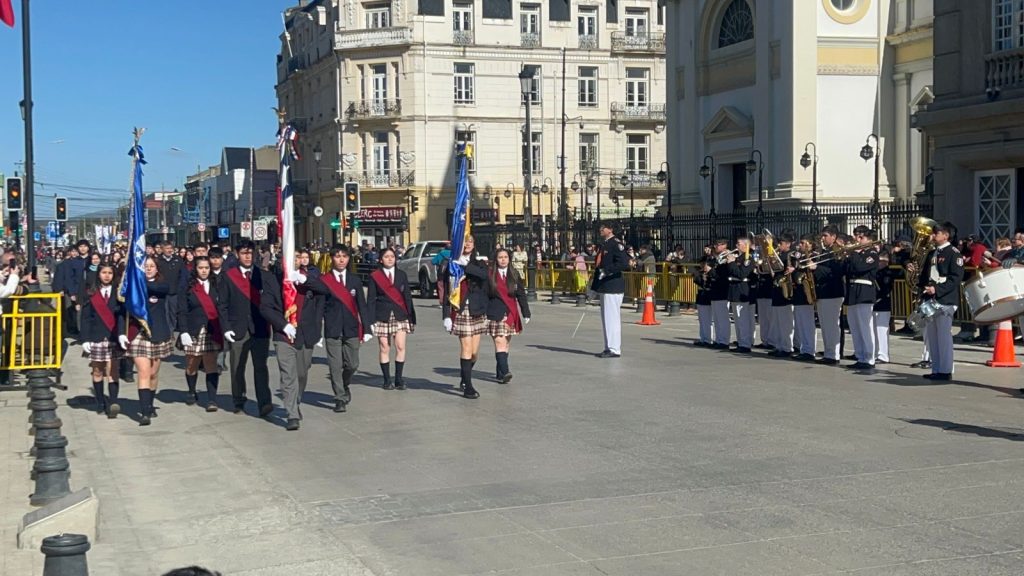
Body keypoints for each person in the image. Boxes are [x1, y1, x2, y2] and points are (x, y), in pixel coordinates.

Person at [260, 249, 324, 431]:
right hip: (283, 334)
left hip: (305, 334)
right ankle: (292, 414)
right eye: (289, 257)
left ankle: (296, 400)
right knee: (288, 374)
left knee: (301, 374)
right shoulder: (273, 280)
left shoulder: (309, 277)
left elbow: (324, 290)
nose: (293, 260)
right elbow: (266, 308)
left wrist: (305, 280)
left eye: (296, 257)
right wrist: (283, 324)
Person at [217, 240, 272, 416]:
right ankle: (239, 400)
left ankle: (264, 402)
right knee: (237, 367)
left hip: (260, 327)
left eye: (250, 253)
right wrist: (226, 327)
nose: (248, 257)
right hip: (238, 328)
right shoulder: (228, 276)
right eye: (244, 253)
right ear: (237, 254)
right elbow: (222, 305)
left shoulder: (263, 275)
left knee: (261, 366)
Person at [315, 244, 372, 411]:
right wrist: (317, 332)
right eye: (338, 256)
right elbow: (319, 308)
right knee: (335, 366)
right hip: (332, 329)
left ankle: (345, 384)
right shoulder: (324, 280)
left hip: (351, 328)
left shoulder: (355, 280)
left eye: (344, 256)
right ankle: (339, 398)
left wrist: (367, 328)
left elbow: (362, 306)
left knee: (352, 364)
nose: (341, 260)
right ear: (332, 258)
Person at [120, 256, 173, 426]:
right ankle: (144, 412)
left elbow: (158, 289)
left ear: (157, 269)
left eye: (152, 266)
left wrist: (135, 283)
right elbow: (122, 310)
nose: (149, 268)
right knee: (143, 372)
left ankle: (150, 404)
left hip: (157, 333)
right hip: (138, 334)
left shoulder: (161, 285)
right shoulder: (132, 288)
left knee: (153, 374)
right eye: (145, 266)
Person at [440, 235, 489, 398]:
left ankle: (464, 374)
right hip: (460, 309)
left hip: (477, 309)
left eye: (470, 241)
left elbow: (483, 276)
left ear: (474, 245)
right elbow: (447, 290)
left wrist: (465, 266)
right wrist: (446, 315)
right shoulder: (451, 264)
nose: (467, 244)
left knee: (474, 353)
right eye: (464, 241)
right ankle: (468, 386)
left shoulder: (479, 262)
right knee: (466, 348)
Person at [177, 257, 224, 411]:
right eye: (201, 268)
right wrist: (183, 331)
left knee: (211, 364)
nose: (204, 271)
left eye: (206, 268)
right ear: (195, 269)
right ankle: (191, 391)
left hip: (211, 329)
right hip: (193, 329)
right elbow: (182, 311)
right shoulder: (188, 287)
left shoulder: (217, 285)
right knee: (192, 363)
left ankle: (212, 399)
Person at [919, 222, 964, 380]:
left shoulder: (954, 253)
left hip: (945, 299)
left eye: (936, 233)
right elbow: (925, 275)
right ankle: (936, 368)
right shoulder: (932, 253)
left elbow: (955, 278)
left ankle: (945, 370)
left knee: (943, 336)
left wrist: (937, 289)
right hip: (931, 298)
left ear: (946, 235)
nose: (932, 236)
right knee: (932, 336)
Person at [367, 247, 416, 390]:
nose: (390, 259)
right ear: (381, 260)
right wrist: (370, 320)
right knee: (384, 347)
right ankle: (387, 380)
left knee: (400, 346)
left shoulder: (401, 275)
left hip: (400, 314)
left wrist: (411, 317)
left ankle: (399, 379)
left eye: (392, 256)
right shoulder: (375, 276)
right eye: (386, 256)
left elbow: (407, 296)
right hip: (382, 315)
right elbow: (371, 299)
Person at [78, 263, 123, 418]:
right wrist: (85, 339)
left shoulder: (119, 293)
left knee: (113, 369)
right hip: (96, 336)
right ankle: (100, 401)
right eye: (104, 272)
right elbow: (85, 318)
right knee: (97, 370)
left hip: (113, 336)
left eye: (110, 272)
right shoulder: (91, 293)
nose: (107, 276)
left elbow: (122, 315)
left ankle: (113, 402)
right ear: (98, 274)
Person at [486, 248, 530, 382]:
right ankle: (505, 371)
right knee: (499, 341)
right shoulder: (490, 274)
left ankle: (500, 372)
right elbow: (484, 294)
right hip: (495, 312)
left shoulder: (514, 274)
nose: (503, 260)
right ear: (496, 259)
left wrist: (526, 312)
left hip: (511, 312)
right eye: (500, 257)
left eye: (505, 257)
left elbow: (521, 294)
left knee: (505, 344)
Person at [591, 223, 629, 358]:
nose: (601, 230)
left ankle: (614, 348)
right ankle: (608, 346)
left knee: (612, 318)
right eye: (600, 228)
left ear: (610, 230)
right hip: (605, 285)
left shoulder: (616, 244)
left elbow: (623, 263)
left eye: (603, 228)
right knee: (606, 319)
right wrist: (594, 288)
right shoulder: (605, 244)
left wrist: (607, 271)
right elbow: (599, 267)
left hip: (613, 285)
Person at [844, 226, 879, 373]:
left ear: (869, 239)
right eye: (857, 237)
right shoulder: (857, 254)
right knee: (855, 326)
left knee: (865, 326)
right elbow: (847, 270)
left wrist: (854, 253)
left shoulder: (872, 253)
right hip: (853, 292)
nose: (857, 240)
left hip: (865, 291)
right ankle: (860, 356)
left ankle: (869, 358)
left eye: (861, 237)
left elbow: (859, 267)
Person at [815, 226, 845, 365]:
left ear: (833, 237)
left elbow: (836, 272)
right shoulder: (825, 251)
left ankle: (833, 355)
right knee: (825, 325)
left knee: (831, 325)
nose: (823, 238)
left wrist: (817, 267)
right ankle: (828, 352)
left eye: (825, 235)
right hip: (823, 292)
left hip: (833, 292)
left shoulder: (837, 251)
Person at [60, 240, 91, 337]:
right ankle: (81, 333)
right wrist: (72, 293)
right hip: (78, 290)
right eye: (81, 246)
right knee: (79, 312)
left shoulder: (92, 260)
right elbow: (69, 278)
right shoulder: (73, 262)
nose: (83, 248)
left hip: (91, 290)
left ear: (88, 248)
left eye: (85, 246)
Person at [709, 239, 732, 349]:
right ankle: (719, 339)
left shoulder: (727, 256)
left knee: (722, 318)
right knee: (717, 318)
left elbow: (722, 274)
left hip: (723, 289)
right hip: (715, 289)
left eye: (717, 245)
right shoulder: (717, 257)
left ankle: (724, 341)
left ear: (724, 245)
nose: (715, 247)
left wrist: (711, 271)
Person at [874, 249, 893, 365]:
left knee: (881, 330)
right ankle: (876, 353)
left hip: (883, 304)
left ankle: (883, 355)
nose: (879, 263)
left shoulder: (887, 273)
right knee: (875, 331)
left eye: (881, 261)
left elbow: (886, 288)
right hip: (876, 304)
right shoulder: (876, 272)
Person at [692, 248, 715, 346]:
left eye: (704, 264)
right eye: (701, 264)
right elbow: (697, 280)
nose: (702, 265)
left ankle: (708, 339)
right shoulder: (701, 273)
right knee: (702, 320)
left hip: (708, 296)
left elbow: (708, 284)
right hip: (701, 296)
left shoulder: (711, 273)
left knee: (708, 320)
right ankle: (703, 338)